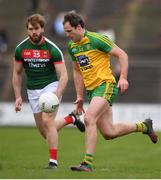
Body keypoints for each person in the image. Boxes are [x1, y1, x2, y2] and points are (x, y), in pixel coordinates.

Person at [62, 11, 158, 172]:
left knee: (89, 118)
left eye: (69, 31)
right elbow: (77, 71)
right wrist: (79, 96)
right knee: (108, 132)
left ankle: (87, 163)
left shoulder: (97, 39)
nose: (67, 35)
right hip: (93, 91)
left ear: (79, 27)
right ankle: (144, 126)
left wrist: (123, 77)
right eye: (65, 32)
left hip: (106, 85)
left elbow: (122, 55)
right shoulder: (72, 47)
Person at [12, 13, 85, 170]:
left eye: (37, 28)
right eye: (31, 29)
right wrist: (18, 96)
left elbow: (64, 75)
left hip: (50, 87)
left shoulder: (52, 49)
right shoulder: (21, 49)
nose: (34, 32)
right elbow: (17, 73)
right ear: (27, 30)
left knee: (47, 122)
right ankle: (70, 119)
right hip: (33, 91)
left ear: (42, 28)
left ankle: (53, 162)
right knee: (45, 132)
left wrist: (56, 95)